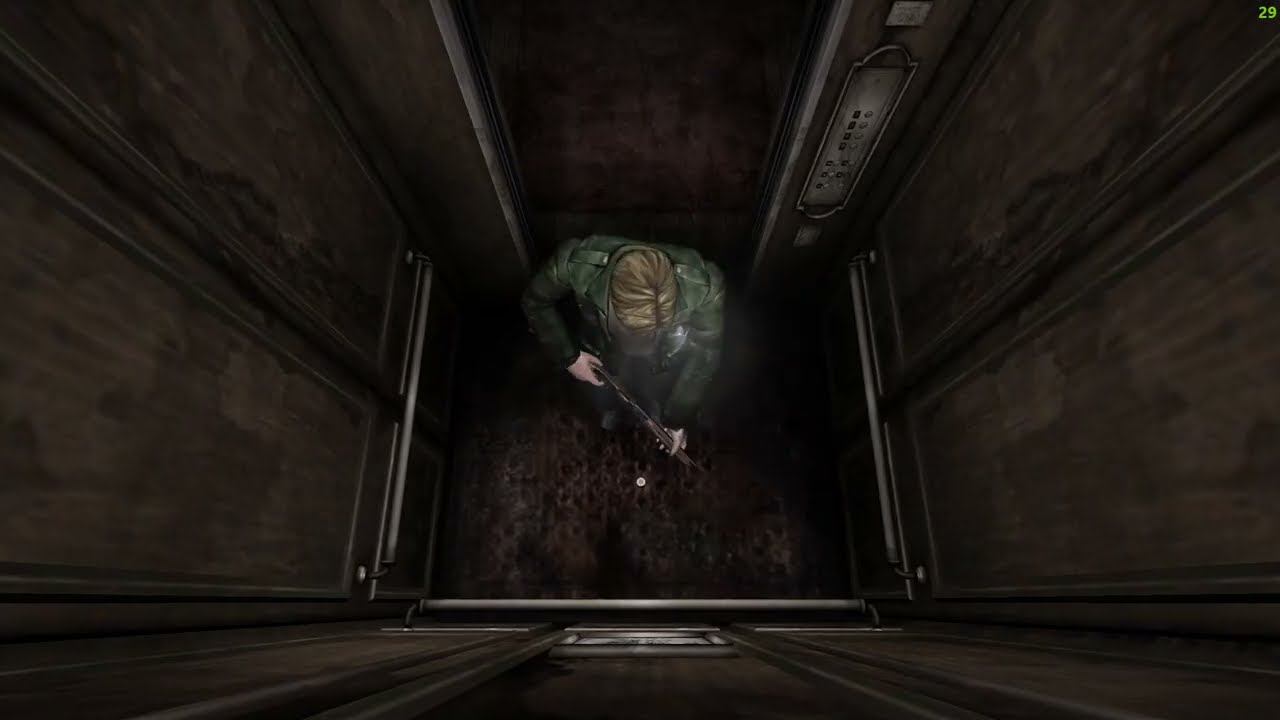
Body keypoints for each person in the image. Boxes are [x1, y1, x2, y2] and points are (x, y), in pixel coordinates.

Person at [521, 235, 725, 455]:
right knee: (601, 391)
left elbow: (706, 352)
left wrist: (677, 419)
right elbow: (535, 302)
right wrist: (570, 357)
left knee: (657, 388)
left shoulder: (705, 285)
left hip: (662, 355)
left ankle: (650, 409)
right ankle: (610, 412)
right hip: (602, 345)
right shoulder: (576, 262)